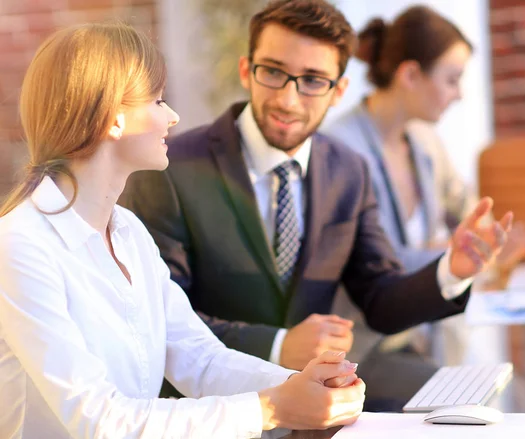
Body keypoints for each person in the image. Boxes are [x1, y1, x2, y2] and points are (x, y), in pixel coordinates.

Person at [120, 0, 512, 412]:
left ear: (338, 91)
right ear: (246, 70)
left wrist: (452, 270)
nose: (288, 100)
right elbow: (159, 319)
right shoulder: (171, 167)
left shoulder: (348, 171)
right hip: (213, 412)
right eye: (273, 72)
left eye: (312, 80)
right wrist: (277, 344)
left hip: (317, 411)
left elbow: (380, 299)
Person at [0, 22, 367, 439]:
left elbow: (200, 358)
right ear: (113, 119)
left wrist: (299, 387)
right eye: (157, 101)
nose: (172, 116)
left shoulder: (129, 233)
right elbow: (99, 420)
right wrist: (270, 409)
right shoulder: (21, 246)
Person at [321, 5, 525, 368]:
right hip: (364, 346)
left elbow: (468, 209)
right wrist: (472, 256)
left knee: (495, 381)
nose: (459, 94)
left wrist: (494, 241)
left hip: (425, 337)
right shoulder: (338, 149)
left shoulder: (424, 140)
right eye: (452, 79)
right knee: (480, 392)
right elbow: (377, 266)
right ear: (410, 74)